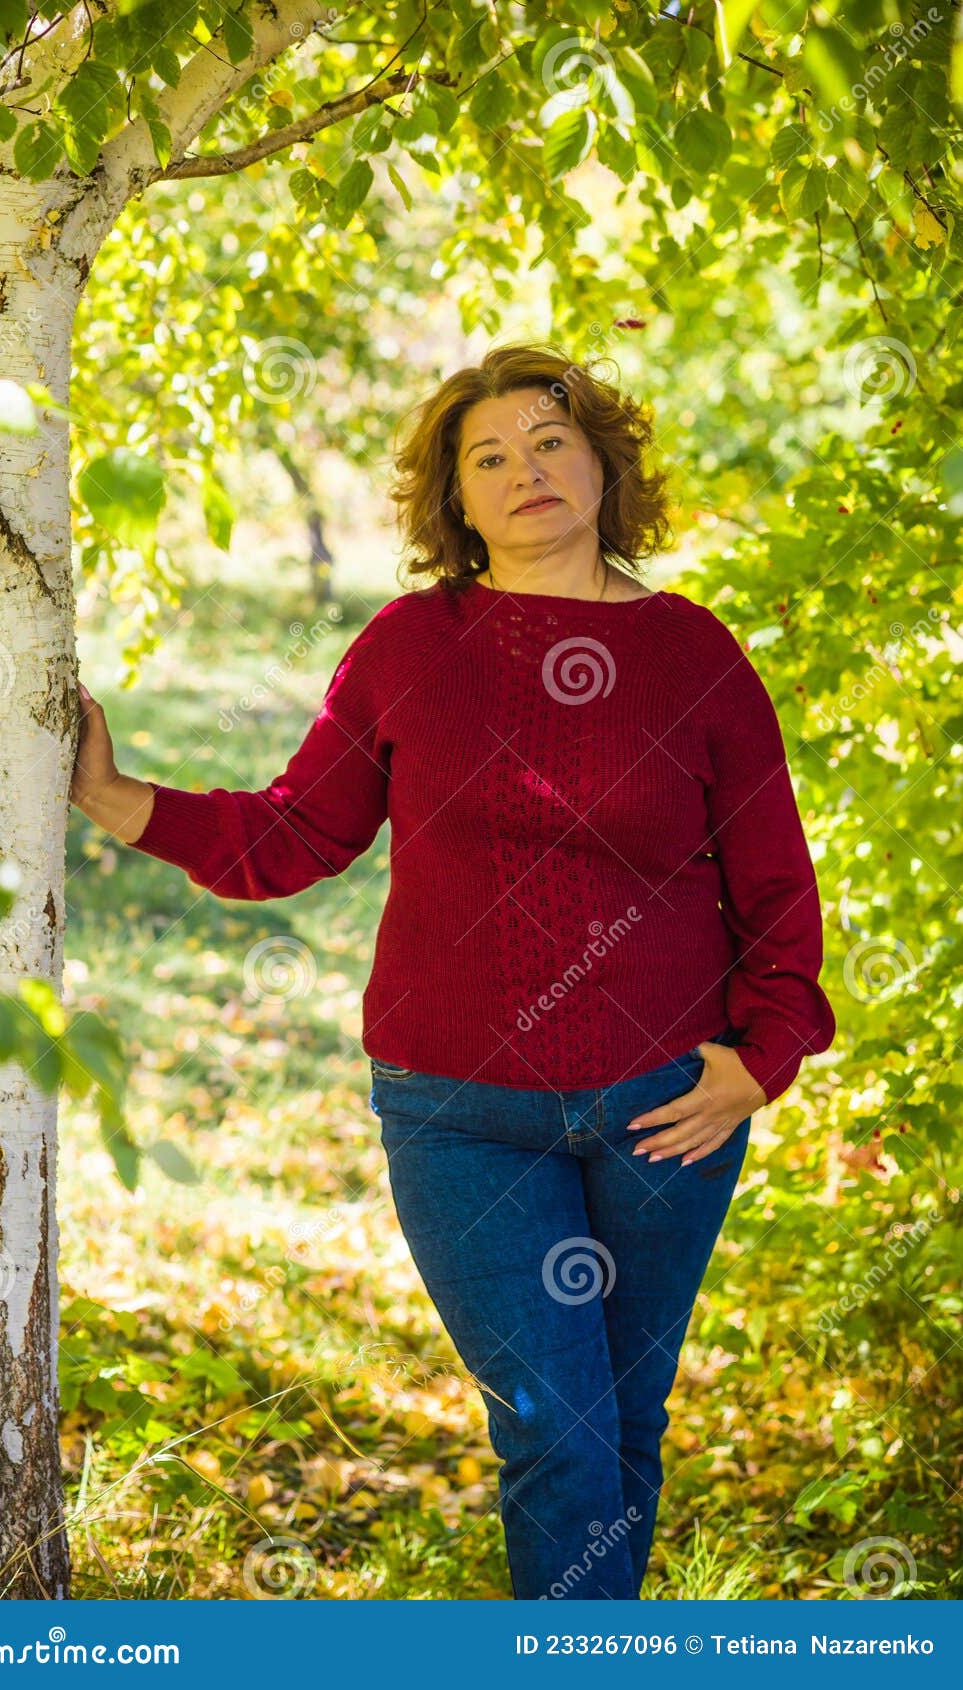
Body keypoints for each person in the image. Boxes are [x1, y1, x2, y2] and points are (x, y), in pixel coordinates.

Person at [70, 342, 836, 1600]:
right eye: (488, 457)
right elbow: (292, 833)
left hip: (667, 1109)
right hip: (457, 1114)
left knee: (623, 1424)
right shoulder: (407, 647)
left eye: (548, 440)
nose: (523, 470)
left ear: (599, 464)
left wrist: (763, 1058)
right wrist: (114, 799)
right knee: (555, 1424)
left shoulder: (693, 656)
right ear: (455, 501)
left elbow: (771, 884)